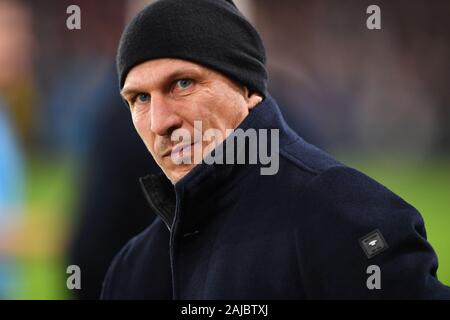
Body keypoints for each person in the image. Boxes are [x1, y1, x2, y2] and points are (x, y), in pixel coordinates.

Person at [101, 0, 450, 299]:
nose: (160, 122)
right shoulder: (132, 269)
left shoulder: (342, 214)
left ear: (247, 87)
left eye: (182, 83)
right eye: (140, 98)